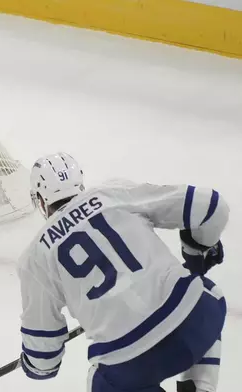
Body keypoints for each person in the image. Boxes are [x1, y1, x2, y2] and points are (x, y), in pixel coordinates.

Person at [17, 152, 228, 392]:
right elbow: (212, 207)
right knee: (207, 292)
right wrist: (197, 252)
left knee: (103, 380)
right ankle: (202, 386)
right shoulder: (113, 193)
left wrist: (31, 364)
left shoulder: (35, 258)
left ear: (41, 201)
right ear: (80, 184)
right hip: (195, 323)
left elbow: (44, 362)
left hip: (131, 365)